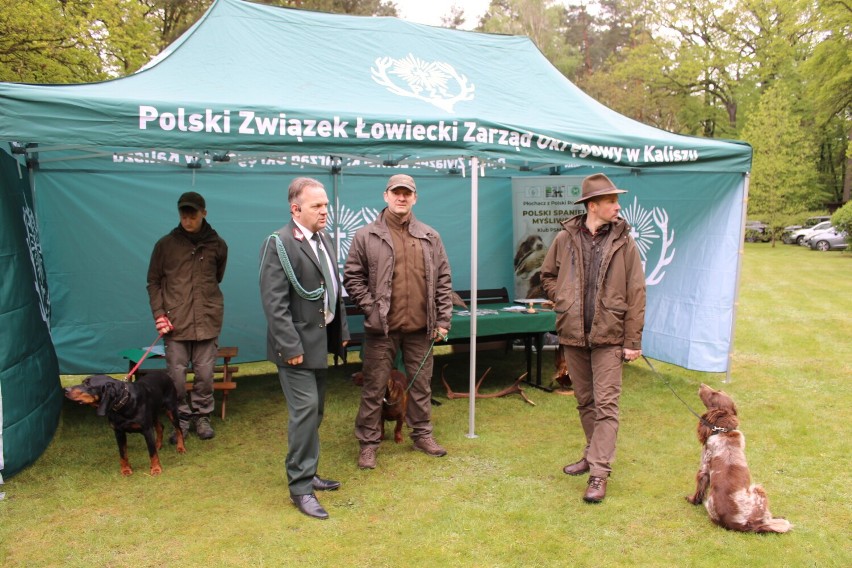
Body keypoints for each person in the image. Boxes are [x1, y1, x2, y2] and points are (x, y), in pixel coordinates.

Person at [540, 173, 646, 503]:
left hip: (610, 337)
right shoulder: (565, 238)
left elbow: (636, 291)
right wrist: (563, 299)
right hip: (573, 335)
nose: (618, 206)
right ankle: (591, 453)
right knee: (585, 401)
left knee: (607, 405)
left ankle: (599, 472)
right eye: (611, 201)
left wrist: (632, 341)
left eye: (617, 200)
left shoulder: (625, 242)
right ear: (593, 205)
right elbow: (547, 275)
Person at [343, 173, 453, 470]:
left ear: (415, 198)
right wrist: (371, 308)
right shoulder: (366, 235)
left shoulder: (430, 236)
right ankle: (368, 443)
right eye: (396, 193)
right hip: (382, 330)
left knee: (422, 387)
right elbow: (352, 277)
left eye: (407, 193)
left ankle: (422, 435)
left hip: (421, 328)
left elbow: (443, 280)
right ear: (386, 196)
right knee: (374, 387)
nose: (401, 198)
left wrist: (443, 319)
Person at [259, 177, 349, 520]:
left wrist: (339, 330)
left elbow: (331, 288)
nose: (325, 211)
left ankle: (309, 472)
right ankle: (300, 487)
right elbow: (274, 303)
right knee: (305, 411)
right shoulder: (279, 243)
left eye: (326, 204)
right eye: (317, 206)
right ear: (295, 209)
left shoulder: (321, 237)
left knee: (317, 410)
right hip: (295, 346)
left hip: (319, 342)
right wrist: (289, 345)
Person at [147, 191, 228, 443]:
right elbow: (153, 282)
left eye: (192, 212)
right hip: (176, 323)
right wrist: (160, 314)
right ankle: (179, 418)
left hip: (207, 320)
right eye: (183, 212)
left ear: (203, 212)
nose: (187, 217)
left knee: (205, 374)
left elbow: (218, 276)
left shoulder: (218, 245)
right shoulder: (165, 245)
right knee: (176, 376)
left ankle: (202, 416)